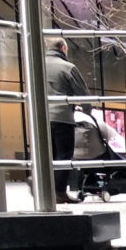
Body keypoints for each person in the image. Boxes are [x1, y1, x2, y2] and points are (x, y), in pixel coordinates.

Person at [44, 37, 90, 203]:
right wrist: (88, 110)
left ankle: (42, 186)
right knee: (63, 155)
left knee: (46, 155)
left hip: (40, 119)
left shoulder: (36, 65)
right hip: (62, 117)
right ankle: (59, 191)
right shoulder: (68, 67)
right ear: (63, 48)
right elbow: (83, 94)